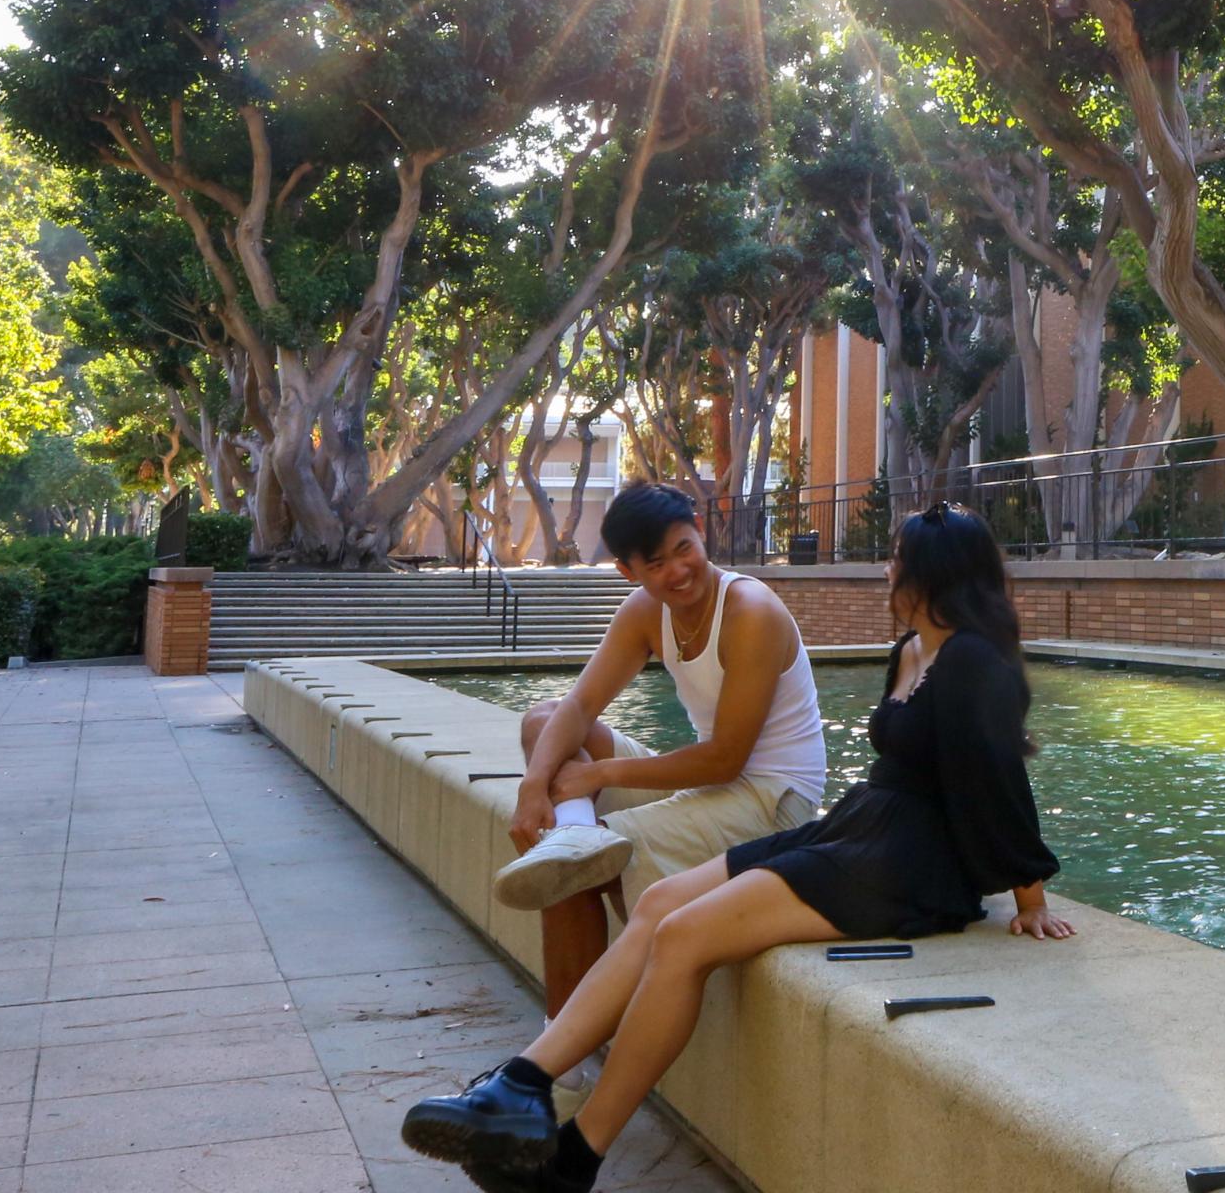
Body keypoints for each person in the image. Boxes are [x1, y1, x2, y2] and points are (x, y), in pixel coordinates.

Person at [404, 504, 1072, 1193]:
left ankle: (576, 1155)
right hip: (863, 830)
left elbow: (996, 777)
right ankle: (522, 1086)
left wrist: (1029, 895)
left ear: (930, 571)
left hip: (911, 866)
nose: (887, 566)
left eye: (896, 556)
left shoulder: (971, 661)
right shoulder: (914, 649)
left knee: (686, 933)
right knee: (661, 902)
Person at [488, 482, 827, 914]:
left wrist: (598, 775)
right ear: (629, 572)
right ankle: (570, 832)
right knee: (543, 719)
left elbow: (726, 759)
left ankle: (576, 848)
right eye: (656, 563)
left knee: (585, 865)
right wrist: (533, 786)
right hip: (715, 785)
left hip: (775, 799)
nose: (678, 571)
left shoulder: (750, 611)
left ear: (700, 530)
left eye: (684, 549)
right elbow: (579, 706)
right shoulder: (645, 612)